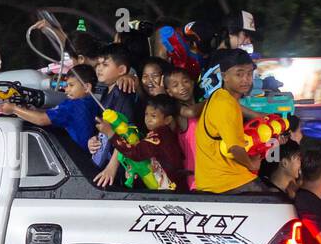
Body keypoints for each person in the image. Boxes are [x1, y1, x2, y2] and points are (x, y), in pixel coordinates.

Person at [194, 48, 264, 194]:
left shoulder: (220, 96)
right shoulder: (226, 104)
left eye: (249, 73)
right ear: (224, 76)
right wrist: (252, 164)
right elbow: (235, 149)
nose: (246, 79)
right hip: (226, 182)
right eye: (239, 74)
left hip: (219, 179)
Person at [97, 95, 185, 192]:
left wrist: (111, 133)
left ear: (167, 120)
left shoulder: (158, 137)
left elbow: (135, 153)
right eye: (146, 114)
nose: (148, 119)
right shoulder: (163, 133)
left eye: (153, 116)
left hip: (171, 191)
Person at [0, 66, 101, 150]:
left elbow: (42, 119)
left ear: (87, 87)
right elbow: (53, 114)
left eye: (71, 85)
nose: (66, 89)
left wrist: (14, 109)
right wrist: (33, 110)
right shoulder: (91, 102)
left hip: (77, 155)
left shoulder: (74, 106)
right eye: (66, 85)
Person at [88, 45, 143, 187]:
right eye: (98, 64)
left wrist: (112, 167)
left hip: (120, 168)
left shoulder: (123, 91)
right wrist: (93, 140)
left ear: (122, 70)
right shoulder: (107, 92)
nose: (99, 68)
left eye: (105, 64)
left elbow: (126, 132)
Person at [164, 67, 200, 189]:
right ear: (169, 92)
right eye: (175, 85)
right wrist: (213, 98)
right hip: (196, 178)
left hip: (213, 172)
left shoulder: (201, 106)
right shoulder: (178, 110)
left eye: (185, 81)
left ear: (192, 82)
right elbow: (191, 112)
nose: (182, 87)